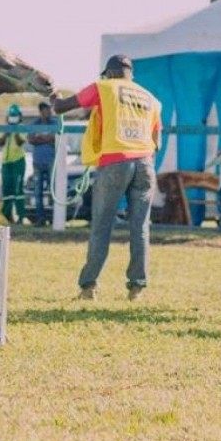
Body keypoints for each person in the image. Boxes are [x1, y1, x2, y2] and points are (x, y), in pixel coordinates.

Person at [50, 54, 161, 301]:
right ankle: (136, 287)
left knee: (101, 226)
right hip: (145, 164)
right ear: (130, 74)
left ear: (109, 73)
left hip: (114, 162)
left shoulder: (103, 87)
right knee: (140, 227)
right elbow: (157, 141)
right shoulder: (151, 99)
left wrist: (53, 95)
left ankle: (88, 286)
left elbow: (61, 108)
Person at [27, 101, 59, 226]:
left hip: (51, 162)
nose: (49, 112)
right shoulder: (34, 124)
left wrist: (40, 138)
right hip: (37, 162)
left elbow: (55, 138)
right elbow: (31, 139)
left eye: (50, 109)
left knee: (53, 192)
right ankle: (40, 219)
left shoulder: (55, 123)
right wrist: (47, 138)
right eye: (46, 110)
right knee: (38, 192)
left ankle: (54, 218)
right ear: (41, 111)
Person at [0, 104, 27, 224]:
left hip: (18, 161)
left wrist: (14, 131)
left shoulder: (22, 127)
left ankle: (21, 216)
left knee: (18, 189)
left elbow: (20, 142)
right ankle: (7, 214)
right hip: (6, 163)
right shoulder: (5, 128)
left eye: (15, 116)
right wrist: (7, 132)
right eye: (11, 116)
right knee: (7, 189)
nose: (13, 118)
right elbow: (0, 142)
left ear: (19, 117)